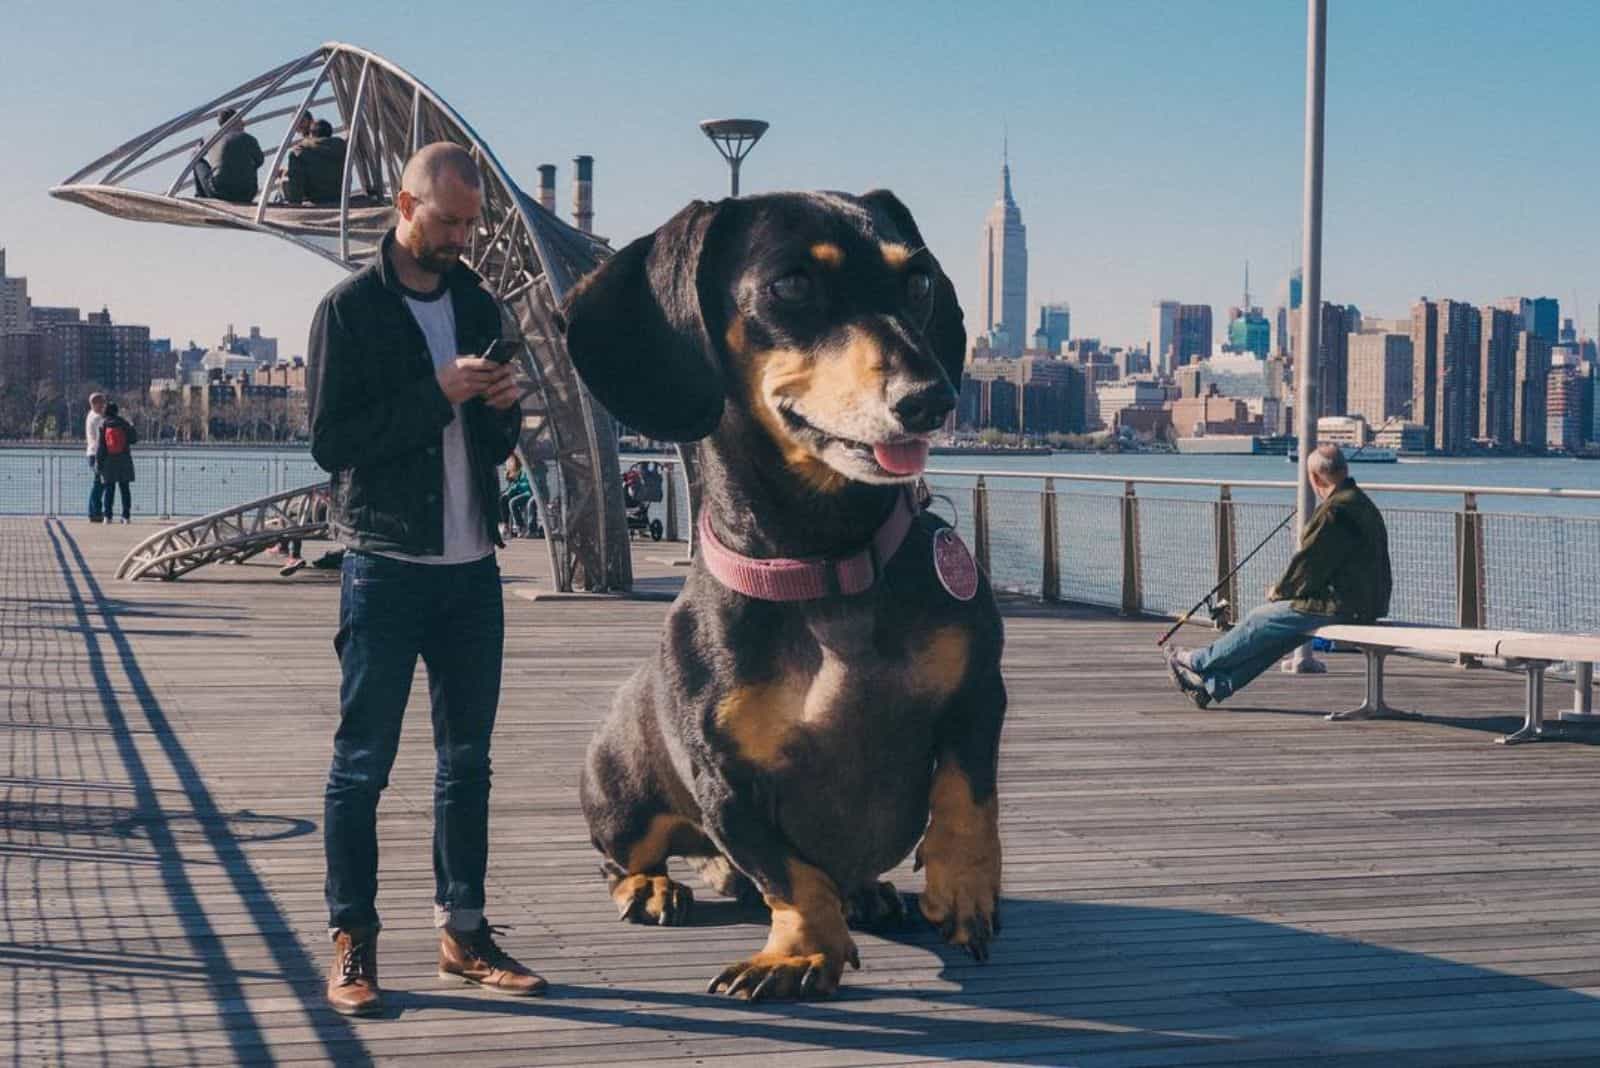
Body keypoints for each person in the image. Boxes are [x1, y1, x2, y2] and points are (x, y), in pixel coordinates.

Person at [308, 141, 539, 1017]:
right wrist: (439, 392)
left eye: (472, 222)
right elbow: (333, 444)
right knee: (362, 765)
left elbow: (492, 448)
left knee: (467, 764)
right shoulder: (350, 311)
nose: (462, 237)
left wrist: (500, 410)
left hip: (472, 570)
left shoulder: (478, 300)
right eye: (449, 221)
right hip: (386, 567)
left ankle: (464, 931)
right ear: (405, 207)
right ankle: (353, 940)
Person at [1166, 444, 1392, 708]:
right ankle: (1212, 686)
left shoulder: (1335, 511)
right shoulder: (1361, 503)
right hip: (1366, 603)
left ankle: (1197, 661)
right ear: (1345, 469)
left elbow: (1309, 565)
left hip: (1343, 604)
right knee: (1281, 637)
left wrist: (1279, 591)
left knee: (1259, 618)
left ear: (1315, 478)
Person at [205, 108, 264, 204]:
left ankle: (200, 194)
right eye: (240, 120)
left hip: (219, 192)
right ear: (234, 121)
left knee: (197, 160)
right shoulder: (249, 139)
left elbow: (197, 154)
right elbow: (260, 161)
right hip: (247, 194)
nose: (244, 123)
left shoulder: (210, 137)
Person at [283, 119, 348, 205]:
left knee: (284, 180)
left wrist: (295, 203)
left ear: (311, 134)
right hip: (339, 196)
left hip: (316, 199)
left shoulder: (299, 151)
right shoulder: (342, 146)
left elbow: (296, 181)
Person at [94, 402, 138, 523]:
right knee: (125, 489)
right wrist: (131, 424)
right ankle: (126, 516)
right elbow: (133, 439)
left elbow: (101, 447)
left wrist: (98, 463)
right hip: (124, 459)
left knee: (109, 489)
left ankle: (107, 516)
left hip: (109, 460)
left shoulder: (103, 424)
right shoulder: (123, 423)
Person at [85, 393, 108, 522]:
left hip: (92, 453)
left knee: (99, 483)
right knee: (99, 484)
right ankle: (94, 512)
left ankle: (95, 511)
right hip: (96, 453)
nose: (103, 405)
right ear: (95, 403)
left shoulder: (91, 415)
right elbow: (101, 438)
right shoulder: (97, 418)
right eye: (101, 403)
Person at [498, 455, 533, 538]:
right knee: (503, 499)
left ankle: (520, 527)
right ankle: (505, 525)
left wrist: (513, 488)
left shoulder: (532, 468)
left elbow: (527, 485)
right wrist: (508, 491)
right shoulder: (521, 469)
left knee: (513, 502)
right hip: (521, 492)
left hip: (529, 493)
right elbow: (516, 484)